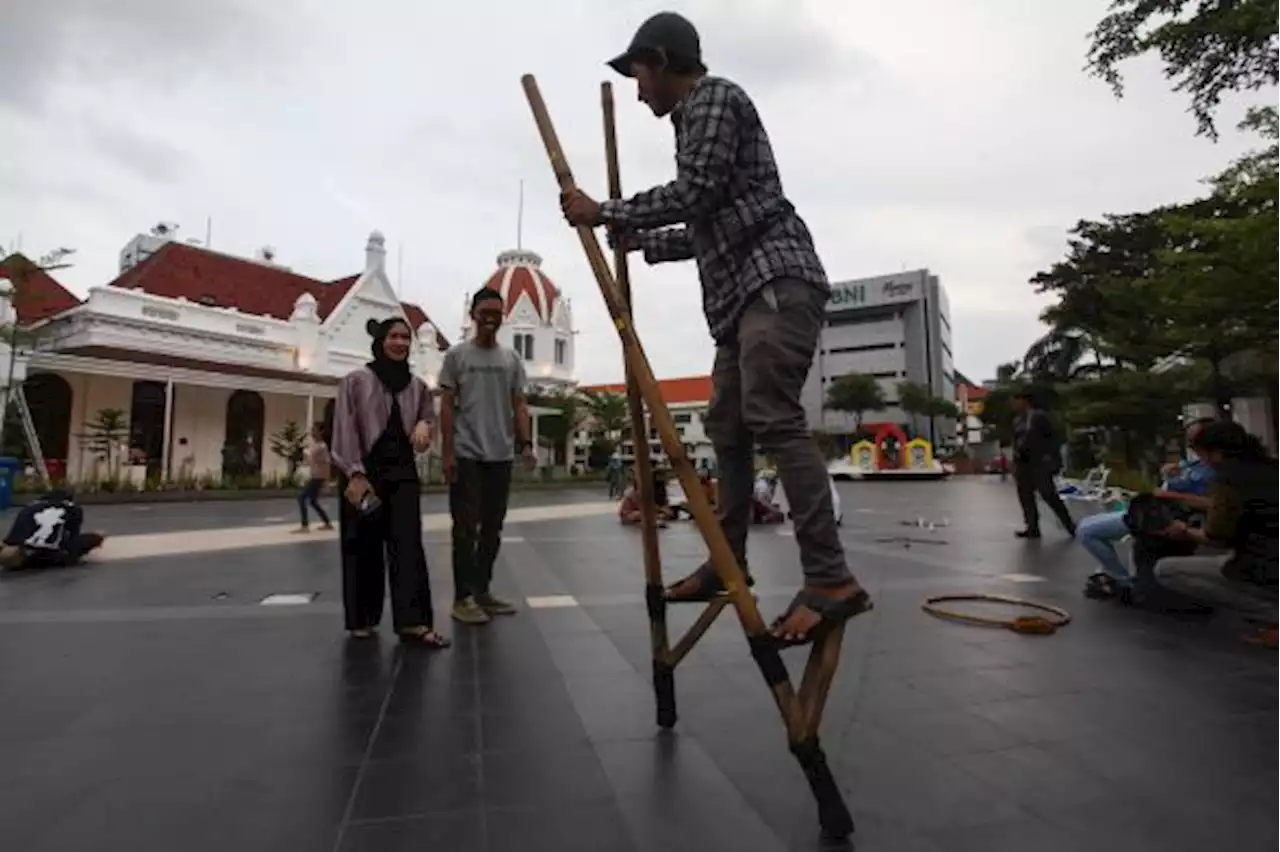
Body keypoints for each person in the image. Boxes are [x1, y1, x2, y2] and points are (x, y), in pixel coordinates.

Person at [561, 11, 870, 645]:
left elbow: (696, 191)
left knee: (771, 415)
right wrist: (640, 238)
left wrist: (606, 210)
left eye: (639, 73)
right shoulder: (691, 122)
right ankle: (727, 562)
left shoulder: (713, 100)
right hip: (738, 301)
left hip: (774, 284)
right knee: (728, 430)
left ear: (665, 60)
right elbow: (709, 226)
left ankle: (830, 578)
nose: (638, 88)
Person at [330, 317, 448, 648]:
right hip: (364, 472)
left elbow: (427, 416)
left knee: (408, 546)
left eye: (405, 338)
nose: (400, 343)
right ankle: (362, 619)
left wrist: (425, 424)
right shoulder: (356, 381)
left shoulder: (417, 387)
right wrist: (353, 473)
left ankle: (414, 622)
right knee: (362, 546)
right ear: (381, 340)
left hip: (403, 475)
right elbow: (343, 428)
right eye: (393, 336)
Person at [439, 287, 537, 626]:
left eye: (497, 312)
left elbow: (519, 404)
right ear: (474, 315)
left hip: (500, 456)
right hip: (467, 454)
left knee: (492, 529)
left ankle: (482, 591)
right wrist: (448, 452)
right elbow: (447, 407)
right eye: (485, 312)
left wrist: (525, 443)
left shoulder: (511, 360)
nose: (491, 318)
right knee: (465, 529)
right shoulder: (456, 356)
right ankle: (461, 597)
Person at [1154, 421, 1280, 646]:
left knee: (1166, 570)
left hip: (1266, 568)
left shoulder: (1227, 480)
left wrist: (1185, 531)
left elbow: (1216, 536)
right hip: (1269, 556)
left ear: (1215, 453)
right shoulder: (1271, 468)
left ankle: (1272, 616)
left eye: (1199, 451)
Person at [1078, 417, 1215, 600]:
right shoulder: (1197, 463)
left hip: (1166, 515)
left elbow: (1211, 503)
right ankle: (1114, 573)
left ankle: (1122, 580)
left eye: (1194, 441)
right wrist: (1167, 473)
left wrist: (1171, 496)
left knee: (1087, 532)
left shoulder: (1216, 470)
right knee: (1087, 523)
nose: (1190, 446)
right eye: (1188, 441)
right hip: (1152, 508)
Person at [1011, 389, 1075, 539]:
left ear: (1025, 401)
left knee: (1049, 494)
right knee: (1025, 496)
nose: (1013, 404)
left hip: (1039, 462)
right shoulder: (1017, 420)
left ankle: (1070, 526)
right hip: (1023, 463)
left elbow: (1053, 438)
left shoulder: (1039, 417)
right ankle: (1032, 527)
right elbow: (1015, 441)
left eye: (1016, 400)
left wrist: (1052, 458)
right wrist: (1014, 461)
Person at [0, 488, 104, 571]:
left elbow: (15, 533)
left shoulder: (29, 506)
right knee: (96, 536)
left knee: (20, 547)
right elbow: (73, 536)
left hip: (21, 546)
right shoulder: (73, 508)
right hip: (52, 555)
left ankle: (19, 554)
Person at [294, 421, 333, 533]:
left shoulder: (322, 446)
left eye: (314, 430)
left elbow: (327, 464)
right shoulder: (315, 445)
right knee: (312, 501)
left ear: (321, 432)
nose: (312, 432)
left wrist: (326, 481)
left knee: (302, 498)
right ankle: (327, 523)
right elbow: (311, 460)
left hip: (318, 477)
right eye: (312, 430)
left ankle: (305, 526)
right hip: (315, 475)